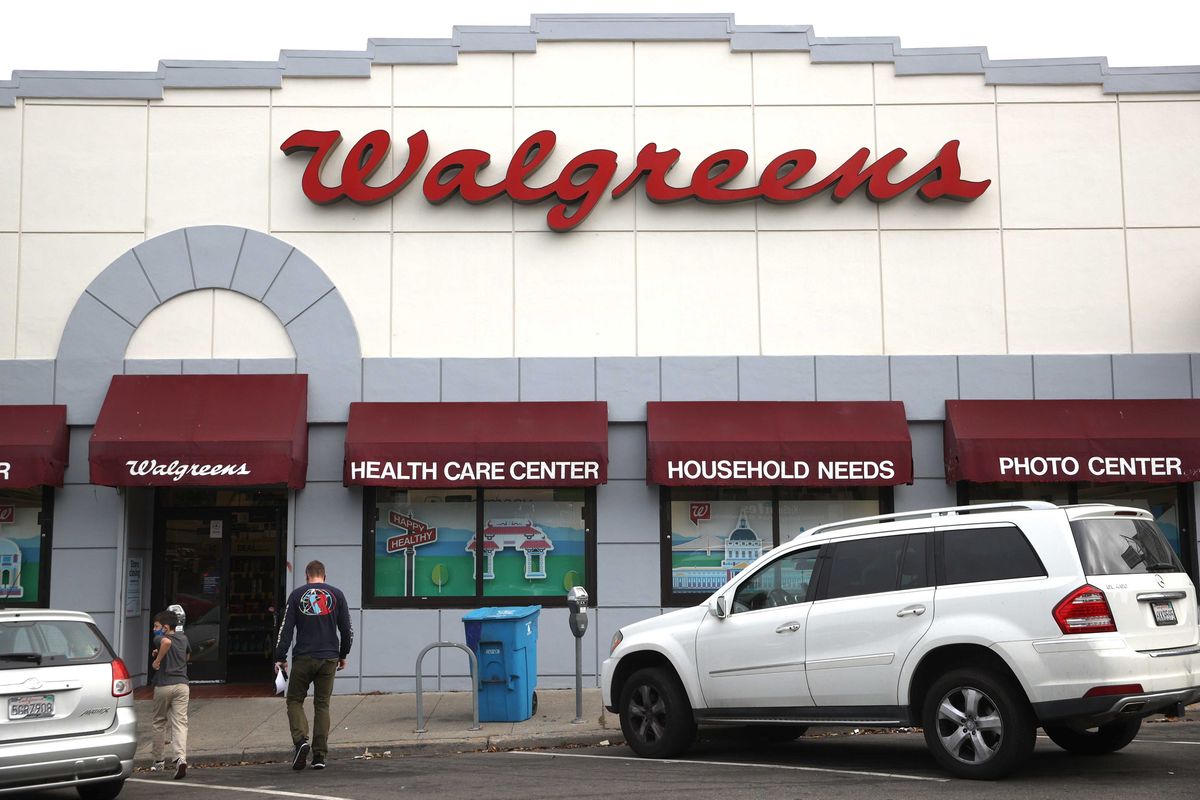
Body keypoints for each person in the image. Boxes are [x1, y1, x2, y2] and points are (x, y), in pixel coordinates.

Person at [273, 560, 353, 771]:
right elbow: (347, 630)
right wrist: (343, 654)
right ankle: (319, 755)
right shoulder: (337, 595)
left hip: (304, 657)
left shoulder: (297, 595)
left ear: (307, 576)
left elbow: (286, 629)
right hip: (329, 658)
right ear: (324, 576)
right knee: (322, 704)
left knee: (294, 700)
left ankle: (301, 741)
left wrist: (280, 657)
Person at [150, 609, 190, 780]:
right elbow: (187, 656)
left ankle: (158, 761)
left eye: (156, 626)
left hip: (164, 685)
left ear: (165, 627)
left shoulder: (160, 638)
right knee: (180, 722)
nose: (154, 629)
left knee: (159, 721)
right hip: (182, 685)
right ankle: (180, 758)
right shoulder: (184, 638)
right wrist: (160, 654)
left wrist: (157, 661)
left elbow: (166, 643)